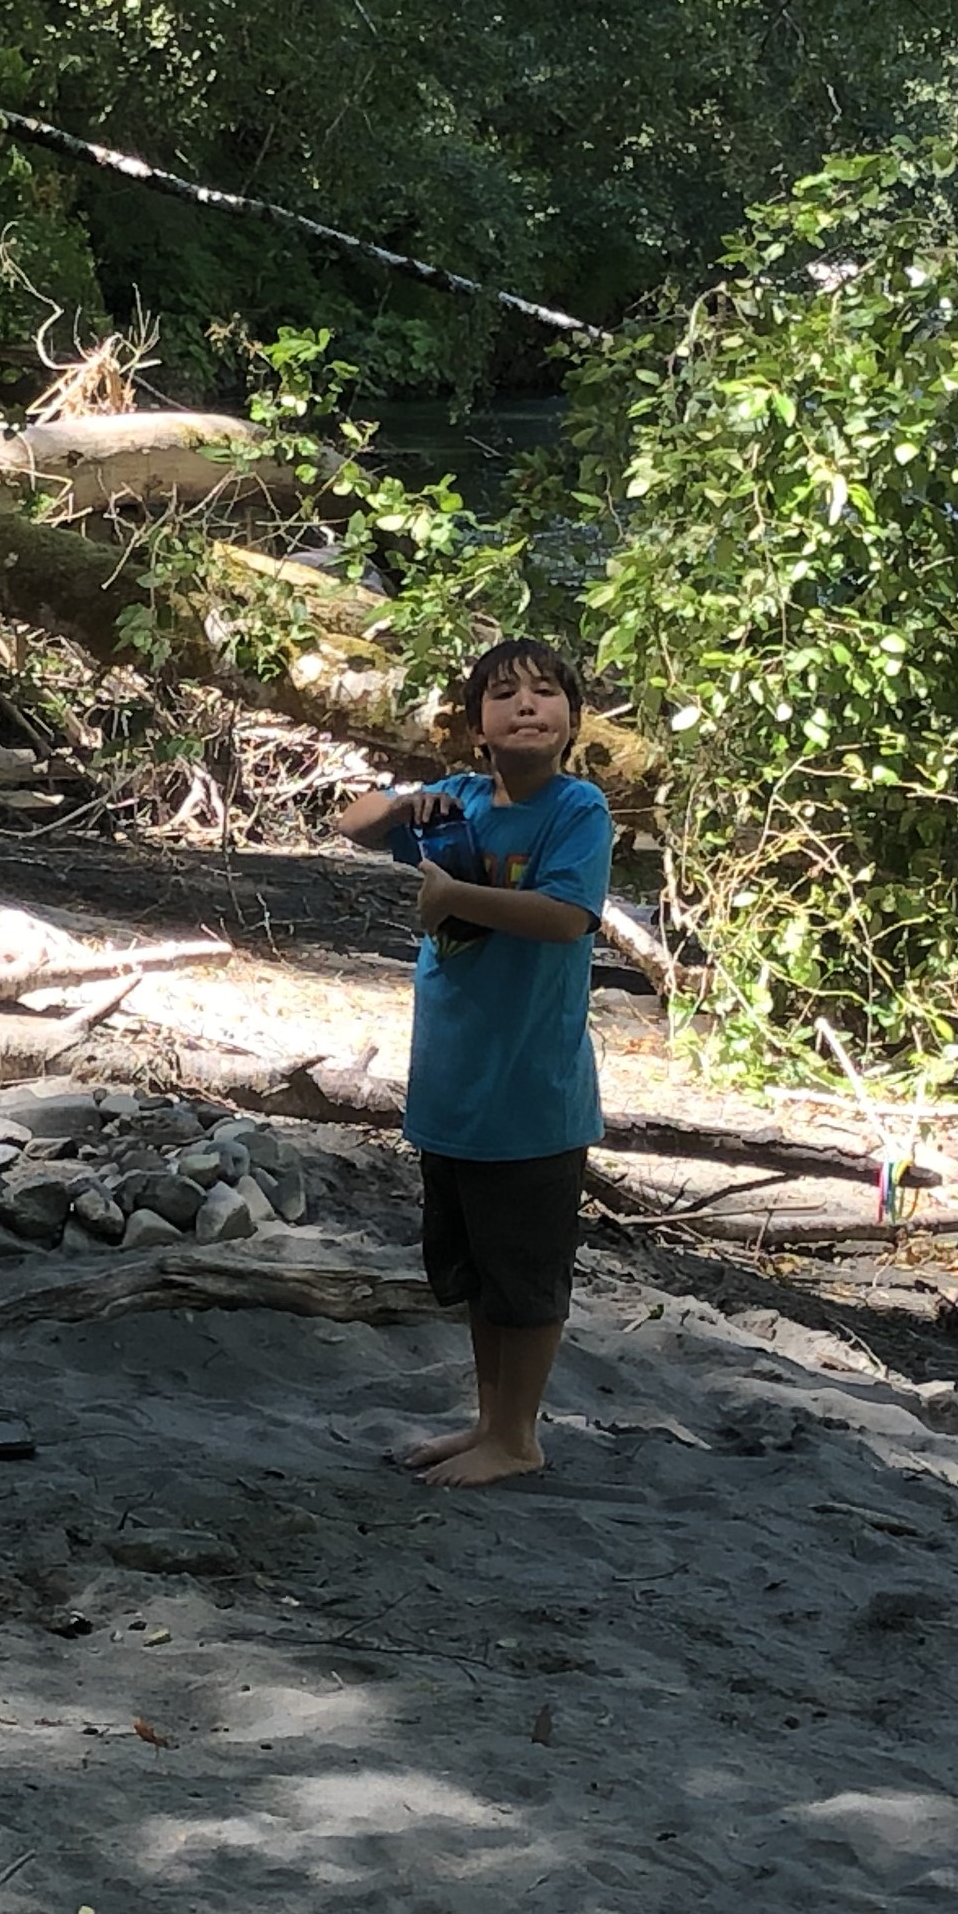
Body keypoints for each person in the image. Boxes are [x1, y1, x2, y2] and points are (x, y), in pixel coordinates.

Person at [336, 635, 615, 1487]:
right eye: (504, 696)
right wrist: (400, 801)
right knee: (476, 1273)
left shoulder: (579, 811)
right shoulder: (457, 800)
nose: (526, 705)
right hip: (454, 1088)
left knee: (527, 1282)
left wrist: (455, 898)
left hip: (532, 1094)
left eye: (544, 693)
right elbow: (348, 823)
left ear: (572, 718)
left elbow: (567, 917)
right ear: (475, 727)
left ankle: (518, 1435)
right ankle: (490, 1421)